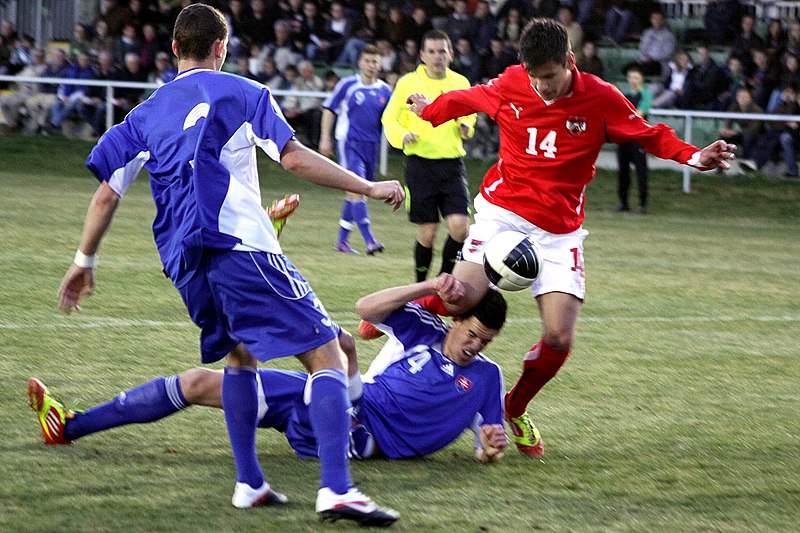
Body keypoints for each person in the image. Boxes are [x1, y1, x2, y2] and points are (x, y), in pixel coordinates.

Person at [55, 4, 403, 526]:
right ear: (222, 48)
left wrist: (84, 260)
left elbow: (106, 195)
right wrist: (369, 186)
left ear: (174, 49)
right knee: (328, 354)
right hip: (239, 246)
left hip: (185, 263)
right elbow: (293, 158)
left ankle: (250, 483)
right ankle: (336, 489)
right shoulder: (243, 92)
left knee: (240, 359)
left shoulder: (144, 114)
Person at [404, 18, 735, 458]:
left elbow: (647, 134)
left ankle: (514, 407)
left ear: (570, 62)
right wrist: (429, 109)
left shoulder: (600, 98)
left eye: (550, 77)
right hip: (503, 213)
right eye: (535, 77)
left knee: (559, 337)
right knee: (459, 298)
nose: (542, 87)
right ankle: (406, 305)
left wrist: (694, 156)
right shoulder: (512, 83)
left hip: (559, 232)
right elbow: (466, 100)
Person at [30, 274, 509, 463]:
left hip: (358, 430)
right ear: (455, 319)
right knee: (200, 381)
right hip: (342, 399)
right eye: (470, 334)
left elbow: (486, 448)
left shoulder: (486, 378)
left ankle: (248, 277)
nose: (474, 346)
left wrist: (490, 448)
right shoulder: (424, 330)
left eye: (484, 342)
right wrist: (427, 284)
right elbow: (366, 305)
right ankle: (68, 427)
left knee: (264, 346)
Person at [381, 29, 476, 282]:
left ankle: (444, 279)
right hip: (420, 166)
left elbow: (469, 114)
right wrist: (401, 136)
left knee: (460, 229)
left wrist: (466, 126)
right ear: (422, 55)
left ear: (451, 54)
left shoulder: (460, 83)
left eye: (442, 51)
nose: (437, 57)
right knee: (428, 232)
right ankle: (420, 285)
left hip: (452, 166)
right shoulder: (408, 83)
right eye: (432, 52)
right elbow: (389, 119)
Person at [319, 44, 392, 255]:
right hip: (349, 143)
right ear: (360, 63)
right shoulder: (348, 85)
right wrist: (325, 138)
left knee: (359, 193)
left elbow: (390, 119)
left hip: (372, 146)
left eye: (375, 62)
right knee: (357, 190)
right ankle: (370, 241)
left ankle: (342, 241)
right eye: (368, 61)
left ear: (380, 65)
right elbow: (329, 109)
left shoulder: (384, 90)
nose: (371, 65)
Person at [616, 67, 651, 213]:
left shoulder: (646, 95)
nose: (633, 81)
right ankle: (623, 202)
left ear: (641, 79)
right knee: (623, 171)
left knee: (641, 171)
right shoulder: (625, 96)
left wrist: (624, 119)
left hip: (638, 139)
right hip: (624, 138)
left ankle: (642, 203)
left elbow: (639, 115)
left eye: (636, 77)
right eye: (630, 77)